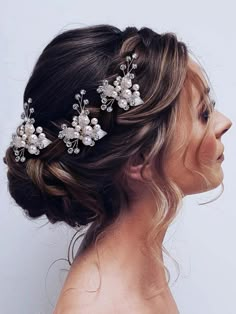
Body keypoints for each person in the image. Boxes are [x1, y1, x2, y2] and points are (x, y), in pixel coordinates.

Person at [3, 24, 232, 314]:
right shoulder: (99, 306)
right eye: (203, 114)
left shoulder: (141, 265)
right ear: (140, 159)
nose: (224, 122)